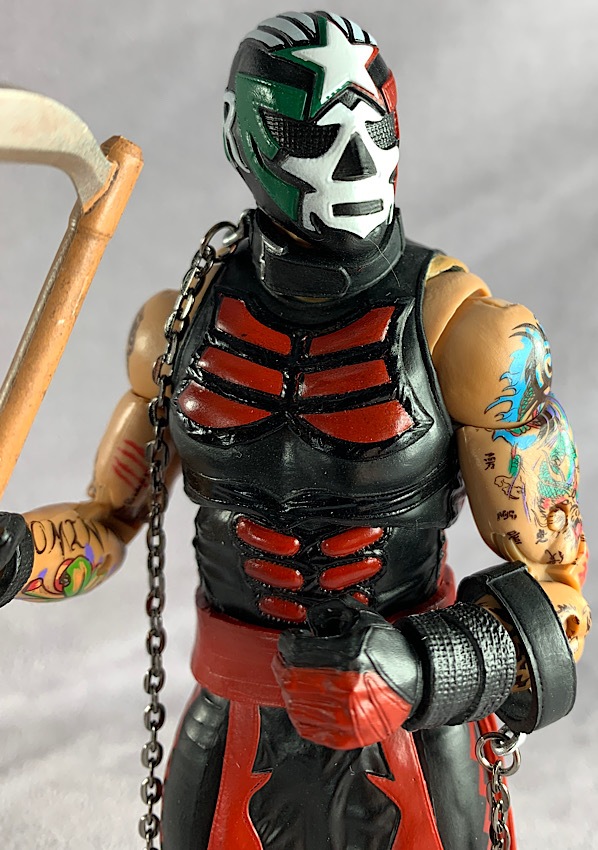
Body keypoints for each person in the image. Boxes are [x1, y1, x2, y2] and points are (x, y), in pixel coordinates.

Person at [0, 11, 590, 849]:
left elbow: (559, 599)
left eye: (371, 127)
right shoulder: (177, 328)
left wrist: (425, 668)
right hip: (235, 714)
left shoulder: (473, 337)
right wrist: (20, 553)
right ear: (245, 139)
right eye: (316, 134)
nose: (352, 161)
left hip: (409, 730)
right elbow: (107, 524)